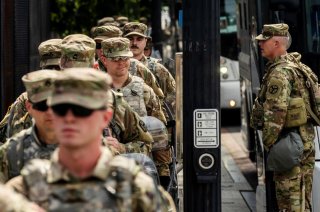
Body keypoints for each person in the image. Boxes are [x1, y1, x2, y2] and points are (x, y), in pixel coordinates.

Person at [6, 68, 176, 211]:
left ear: (105, 117)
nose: (69, 118)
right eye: (60, 109)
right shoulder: (24, 191)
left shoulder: (137, 190)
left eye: (82, 110)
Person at [251, 23, 315, 211]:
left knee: (289, 204)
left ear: (277, 42)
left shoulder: (279, 73)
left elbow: (275, 114)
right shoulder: (297, 66)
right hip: (305, 142)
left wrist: (269, 145)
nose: (260, 44)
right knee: (303, 201)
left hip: (289, 145)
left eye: (264, 40)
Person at [0, 70, 59, 183]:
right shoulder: (10, 152)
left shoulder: (85, 146)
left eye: (56, 105)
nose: (50, 112)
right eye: (42, 105)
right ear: (29, 107)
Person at [0, 39, 62, 144]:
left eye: (58, 68)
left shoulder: (74, 98)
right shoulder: (26, 99)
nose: (53, 73)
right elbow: (8, 138)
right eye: (49, 68)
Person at [100, 37, 167, 124]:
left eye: (125, 58)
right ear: (104, 60)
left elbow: (159, 128)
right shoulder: (96, 91)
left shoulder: (144, 90)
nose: (121, 62)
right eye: (115, 59)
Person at [123, 22, 176, 117]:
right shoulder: (116, 67)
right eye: (130, 39)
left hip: (152, 126)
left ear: (146, 41)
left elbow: (173, 99)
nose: (134, 43)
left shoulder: (157, 69)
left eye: (139, 39)